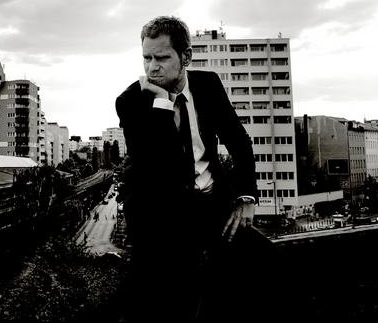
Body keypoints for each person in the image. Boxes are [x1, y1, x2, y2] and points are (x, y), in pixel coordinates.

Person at [115, 16, 276, 323]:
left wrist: (246, 198)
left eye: (162, 58)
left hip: (212, 204)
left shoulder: (208, 85)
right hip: (161, 214)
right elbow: (156, 167)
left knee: (268, 264)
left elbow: (239, 141)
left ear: (186, 57)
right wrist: (162, 103)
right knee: (179, 300)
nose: (152, 68)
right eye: (147, 58)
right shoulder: (131, 102)